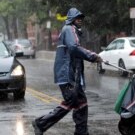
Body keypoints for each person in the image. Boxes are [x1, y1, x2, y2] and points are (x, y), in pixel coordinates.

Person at [32, 7, 102, 135]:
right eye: (77, 17)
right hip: (67, 75)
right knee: (71, 101)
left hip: (71, 76)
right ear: (71, 19)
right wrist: (93, 56)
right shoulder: (69, 29)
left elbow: (75, 52)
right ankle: (40, 123)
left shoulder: (71, 31)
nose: (80, 20)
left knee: (82, 104)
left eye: (81, 17)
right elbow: (74, 48)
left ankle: (81, 132)